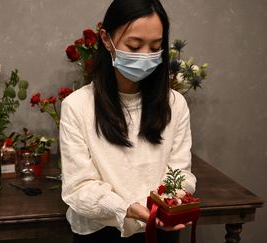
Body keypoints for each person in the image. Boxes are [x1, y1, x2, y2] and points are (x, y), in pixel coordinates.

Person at [59, 0, 197, 242]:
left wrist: (168, 205)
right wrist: (125, 208)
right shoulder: (78, 106)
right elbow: (79, 187)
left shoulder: (174, 104)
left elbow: (178, 171)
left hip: (161, 228)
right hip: (101, 232)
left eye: (155, 47)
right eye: (134, 46)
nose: (145, 56)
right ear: (106, 39)